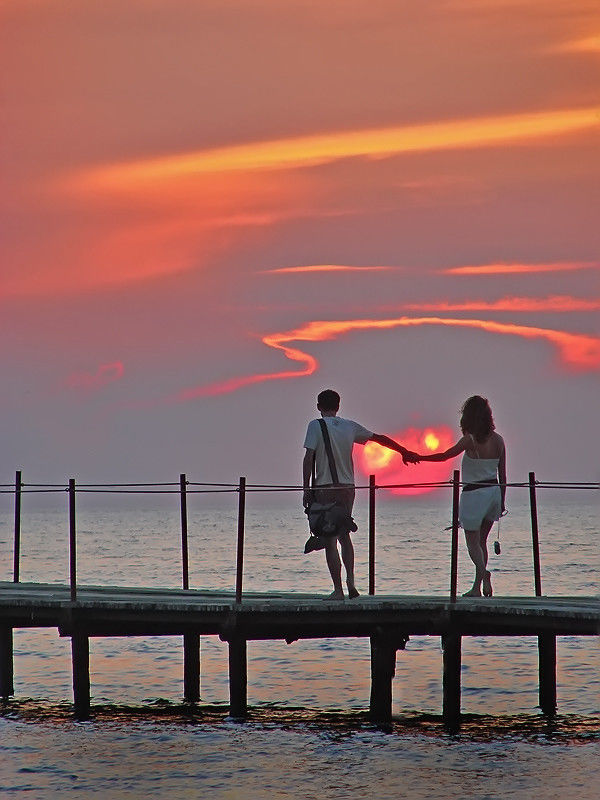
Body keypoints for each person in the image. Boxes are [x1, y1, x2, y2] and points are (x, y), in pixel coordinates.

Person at [303, 389, 419, 600]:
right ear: (338, 406)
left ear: (319, 407)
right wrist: (403, 451)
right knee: (344, 535)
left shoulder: (315, 425)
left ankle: (338, 590)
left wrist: (305, 490)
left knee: (330, 540)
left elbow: (308, 457)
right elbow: (379, 438)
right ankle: (351, 582)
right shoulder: (349, 425)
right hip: (348, 488)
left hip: (325, 488)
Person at [416, 395, 506, 597]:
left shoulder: (470, 440)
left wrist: (419, 457)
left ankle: (484, 575)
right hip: (493, 493)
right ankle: (476, 587)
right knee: (482, 542)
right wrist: (502, 501)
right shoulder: (499, 440)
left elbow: (444, 456)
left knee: (472, 543)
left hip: (474, 495)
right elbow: (503, 474)